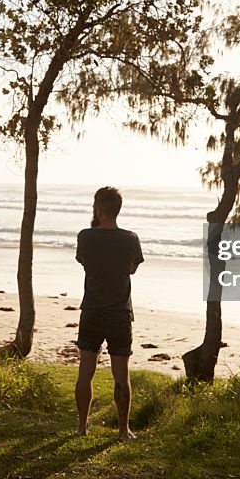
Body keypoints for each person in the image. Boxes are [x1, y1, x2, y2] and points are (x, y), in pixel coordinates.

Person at [74, 186, 143, 440]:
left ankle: (82, 427)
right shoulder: (130, 238)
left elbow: (84, 261)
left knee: (85, 372)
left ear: (98, 209)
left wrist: (95, 224)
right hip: (119, 313)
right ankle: (123, 431)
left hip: (91, 310)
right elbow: (132, 269)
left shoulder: (85, 236)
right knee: (121, 374)